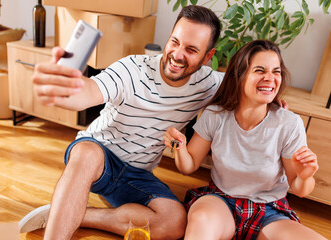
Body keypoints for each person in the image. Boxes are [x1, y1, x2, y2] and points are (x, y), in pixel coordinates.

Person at [19, 5, 224, 240]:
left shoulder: (209, 84)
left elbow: (249, 83)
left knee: (175, 223)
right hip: (98, 158)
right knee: (86, 152)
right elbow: (89, 91)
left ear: (208, 56)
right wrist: (66, 89)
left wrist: (277, 99)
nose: (177, 54)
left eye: (191, 49)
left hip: (138, 174)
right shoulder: (132, 69)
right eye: (174, 42)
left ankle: (70, 212)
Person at [164, 39, 326, 240]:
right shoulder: (215, 115)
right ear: (239, 76)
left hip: (270, 212)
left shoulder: (289, 124)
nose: (270, 78)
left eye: (276, 72)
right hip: (221, 201)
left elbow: (301, 189)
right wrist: (179, 147)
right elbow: (189, 166)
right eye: (260, 70)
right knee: (202, 223)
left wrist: (305, 175)